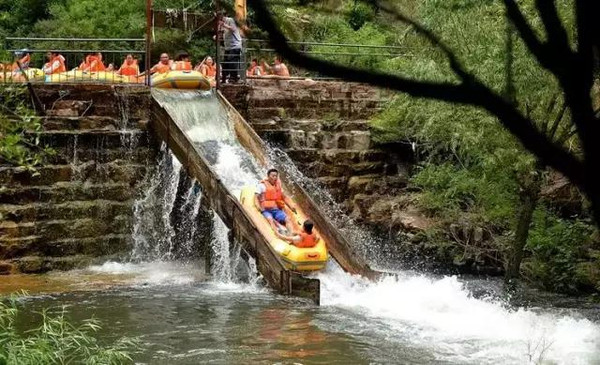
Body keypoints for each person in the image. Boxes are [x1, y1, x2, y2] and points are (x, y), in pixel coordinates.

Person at [254, 168, 297, 233]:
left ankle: (291, 234)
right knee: (270, 220)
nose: (275, 177)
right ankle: (278, 234)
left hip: (276, 210)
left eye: (276, 176)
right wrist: (258, 207)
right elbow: (256, 197)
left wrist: (291, 207)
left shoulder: (278, 186)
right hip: (266, 210)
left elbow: (284, 197)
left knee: (287, 219)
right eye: (273, 176)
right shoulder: (262, 186)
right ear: (268, 176)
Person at [218, 12, 242, 83]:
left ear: (222, 17)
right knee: (225, 63)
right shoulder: (220, 24)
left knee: (232, 62)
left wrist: (224, 25)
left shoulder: (230, 20)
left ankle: (234, 78)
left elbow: (233, 29)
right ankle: (223, 79)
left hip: (235, 45)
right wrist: (218, 35)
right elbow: (222, 33)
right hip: (228, 47)